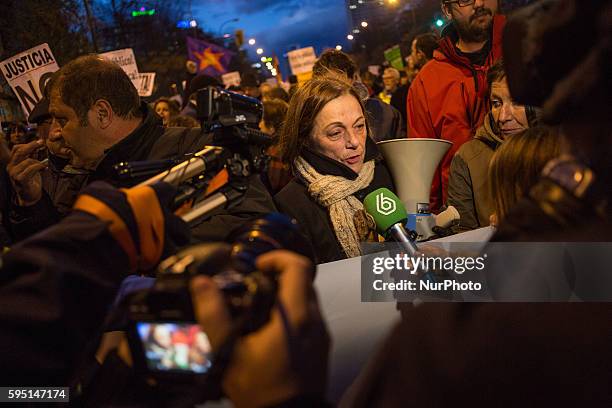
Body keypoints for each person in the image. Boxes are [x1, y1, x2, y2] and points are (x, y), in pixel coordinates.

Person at [5, 54, 276, 242]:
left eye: (63, 119)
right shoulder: (82, 175)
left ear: (101, 114)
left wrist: (146, 242)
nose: (56, 132)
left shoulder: (200, 148)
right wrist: (33, 205)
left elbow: (256, 222)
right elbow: (67, 261)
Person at [274, 76, 395, 264]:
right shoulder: (290, 205)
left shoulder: (386, 172)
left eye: (359, 126)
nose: (354, 142)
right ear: (305, 138)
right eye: (335, 133)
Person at [407, 0, 505, 213]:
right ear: (446, 10)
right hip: (462, 219)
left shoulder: (523, 48)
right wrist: (426, 224)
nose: (479, 3)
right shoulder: (426, 82)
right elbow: (423, 169)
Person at [447, 60, 536, 231]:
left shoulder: (562, 148)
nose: (503, 117)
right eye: (496, 104)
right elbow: (462, 239)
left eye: (517, 102)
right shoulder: (468, 158)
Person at [313, 50, 404, 143]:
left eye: (339, 84)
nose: (354, 142)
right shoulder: (312, 120)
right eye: (327, 86)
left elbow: (401, 152)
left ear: (353, 78)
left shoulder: (386, 114)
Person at [259, 98, 292, 195]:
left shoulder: (275, 153)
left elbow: (272, 189)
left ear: (271, 128)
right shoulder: (289, 144)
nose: (259, 125)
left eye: (261, 121)